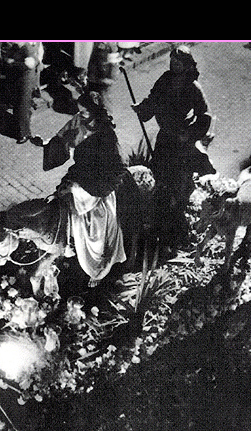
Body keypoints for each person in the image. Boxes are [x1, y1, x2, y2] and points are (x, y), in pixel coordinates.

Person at [36, 90, 128, 286]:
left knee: (96, 224)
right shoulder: (79, 120)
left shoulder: (107, 134)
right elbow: (63, 140)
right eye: (80, 111)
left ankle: (98, 265)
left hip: (97, 184)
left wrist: (91, 189)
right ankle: (65, 243)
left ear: (95, 111)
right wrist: (46, 145)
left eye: (85, 112)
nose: (81, 116)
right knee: (60, 202)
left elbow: (117, 167)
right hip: (79, 173)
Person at [131, 45, 214, 250]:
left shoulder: (193, 86)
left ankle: (174, 232)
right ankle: (154, 226)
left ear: (186, 65)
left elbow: (205, 116)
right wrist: (142, 109)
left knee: (176, 186)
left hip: (181, 143)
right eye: (172, 61)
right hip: (165, 139)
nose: (173, 65)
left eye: (177, 63)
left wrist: (190, 133)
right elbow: (153, 99)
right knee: (159, 181)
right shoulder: (165, 80)